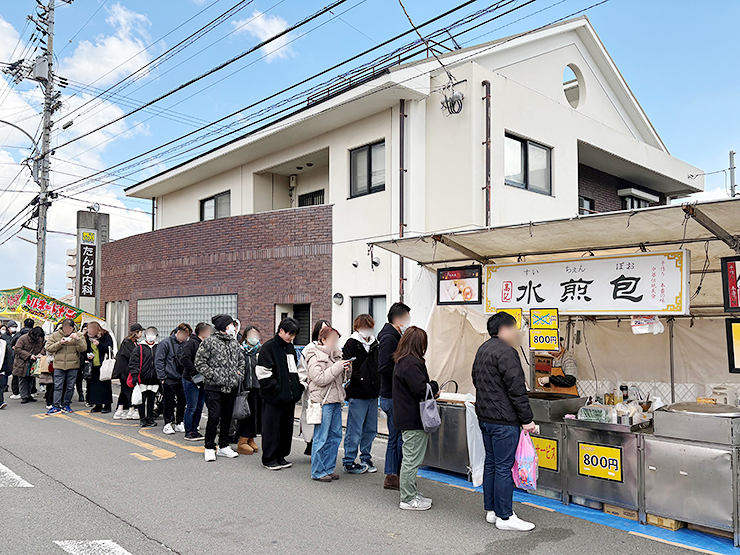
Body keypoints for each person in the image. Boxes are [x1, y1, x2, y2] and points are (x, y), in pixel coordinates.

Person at [473, 312, 536, 532]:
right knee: (503, 468)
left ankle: (492, 510)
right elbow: (517, 390)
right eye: (514, 328)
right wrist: (527, 420)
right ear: (505, 329)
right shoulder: (507, 352)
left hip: (486, 418)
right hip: (504, 421)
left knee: (492, 463)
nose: (516, 333)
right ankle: (505, 516)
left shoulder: (483, 349)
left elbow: (476, 380)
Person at [393, 326, 438, 511]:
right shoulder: (411, 363)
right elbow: (420, 389)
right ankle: (408, 498)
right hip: (413, 418)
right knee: (412, 459)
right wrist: (434, 386)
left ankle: (410, 492)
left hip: (406, 416)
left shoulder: (402, 361)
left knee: (411, 457)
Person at [194, 314, 244, 462]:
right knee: (214, 417)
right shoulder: (209, 342)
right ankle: (209, 447)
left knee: (227, 417)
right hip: (213, 386)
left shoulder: (235, 343)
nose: (233, 328)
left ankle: (224, 445)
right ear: (224, 326)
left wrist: (238, 376)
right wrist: (213, 375)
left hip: (231, 386)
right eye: (231, 325)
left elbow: (241, 362)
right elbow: (199, 362)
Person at [257, 317, 303, 471]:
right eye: (290, 334)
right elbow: (262, 373)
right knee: (272, 428)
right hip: (273, 398)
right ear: (281, 330)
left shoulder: (290, 348)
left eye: (294, 335)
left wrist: (297, 388)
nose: (292, 338)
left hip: (288, 398)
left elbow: (293, 371)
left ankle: (281, 456)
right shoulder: (268, 347)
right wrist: (275, 389)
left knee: (285, 429)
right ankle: (269, 458)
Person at [306, 326, 351, 482]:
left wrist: (346, 369)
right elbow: (319, 379)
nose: (335, 342)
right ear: (322, 340)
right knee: (321, 436)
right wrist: (338, 367)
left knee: (335, 436)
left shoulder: (337, 355)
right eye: (332, 339)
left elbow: (342, 379)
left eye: (336, 339)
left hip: (336, 400)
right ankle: (318, 471)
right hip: (323, 401)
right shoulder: (314, 355)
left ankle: (328, 468)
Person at [378, 302, 411, 490]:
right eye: (406, 317)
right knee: (395, 437)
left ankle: (395, 474)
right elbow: (383, 367)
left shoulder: (394, 335)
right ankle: (392, 475)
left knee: (397, 436)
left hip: (393, 394)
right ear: (398, 318)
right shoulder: (389, 338)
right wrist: (401, 376)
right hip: (392, 395)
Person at [342, 314, 380, 475]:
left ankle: (366, 457)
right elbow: (348, 365)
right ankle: (349, 460)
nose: (368, 330)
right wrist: (358, 378)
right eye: (365, 326)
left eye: (370, 326)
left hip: (373, 391)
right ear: (357, 327)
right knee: (354, 428)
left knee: (371, 428)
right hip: (358, 391)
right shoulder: (351, 343)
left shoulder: (375, 343)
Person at [296, 319, 330, 456]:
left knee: (326, 423)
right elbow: (302, 370)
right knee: (313, 420)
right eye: (322, 329)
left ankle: (320, 450)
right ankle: (312, 446)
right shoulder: (309, 348)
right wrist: (305, 384)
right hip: (313, 392)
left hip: (328, 392)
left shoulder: (332, 347)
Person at [44, 319, 87, 414]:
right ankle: (56, 406)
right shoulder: (55, 335)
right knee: (58, 386)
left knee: (70, 387)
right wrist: (60, 343)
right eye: (65, 327)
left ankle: (66, 404)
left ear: (73, 328)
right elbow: (48, 348)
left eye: (69, 328)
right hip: (58, 365)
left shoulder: (79, 335)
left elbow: (83, 349)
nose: (67, 329)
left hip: (73, 365)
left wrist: (77, 339)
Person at [155, 323, 191, 435]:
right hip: (169, 377)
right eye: (184, 335)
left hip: (182, 377)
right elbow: (159, 360)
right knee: (168, 402)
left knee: (182, 400)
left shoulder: (185, 344)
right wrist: (162, 377)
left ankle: (179, 422)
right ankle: (168, 423)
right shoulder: (165, 343)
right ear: (178, 332)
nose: (185, 338)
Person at [179, 322, 212, 441]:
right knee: (191, 406)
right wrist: (194, 373)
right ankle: (189, 431)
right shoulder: (192, 343)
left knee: (199, 406)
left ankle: (195, 429)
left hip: (203, 380)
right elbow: (184, 358)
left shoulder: (206, 344)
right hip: (190, 379)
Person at [235, 326, 263, 455]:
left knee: (256, 414)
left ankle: (251, 438)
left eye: (256, 334)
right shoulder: (240, 350)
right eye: (251, 334)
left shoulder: (261, 350)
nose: (254, 337)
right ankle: (242, 440)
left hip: (258, 386)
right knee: (245, 414)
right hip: (244, 387)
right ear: (245, 336)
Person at [129, 327, 160, 427]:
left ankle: (150, 418)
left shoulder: (159, 347)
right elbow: (134, 363)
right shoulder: (139, 348)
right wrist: (135, 375)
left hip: (154, 379)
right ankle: (142, 418)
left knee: (151, 400)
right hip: (142, 379)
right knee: (141, 400)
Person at [112, 324, 143, 420]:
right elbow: (132, 357)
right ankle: (131, 409)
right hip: (126, 371)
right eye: (141, 332)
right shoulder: (128, 343)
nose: (142, 334)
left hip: (125, 371)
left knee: (124, 391)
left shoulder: (131, 343)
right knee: (129, 391)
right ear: (137, 332)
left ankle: (120, 410)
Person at [83, 322, 114, 413]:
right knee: (94, 386)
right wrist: (87, 355)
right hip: (92, 365)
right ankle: (97, 405)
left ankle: (107, 405)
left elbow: (109, 348)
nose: (89, 331)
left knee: (105, 386)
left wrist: (99, 344)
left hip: (103, 364)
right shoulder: (87, 338)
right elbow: (84, 350)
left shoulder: (105, 336)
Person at [13, 326, 46, 404]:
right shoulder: (23, 338)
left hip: (34, 362)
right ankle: (24, 396)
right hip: (22, 362)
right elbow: (18, 349)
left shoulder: (40, 339)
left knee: (31, 379)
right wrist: (29, 355)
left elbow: (44, 347)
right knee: (23, 380)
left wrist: (41, 354)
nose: (38, 338)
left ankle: (29, 394)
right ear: (32, 333)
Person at [9, 319, 34, 400]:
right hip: (31, 358)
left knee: (18, 377)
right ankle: (29, 393)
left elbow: (12, 345)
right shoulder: (35, 334)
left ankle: (18, 393)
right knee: (30, 377)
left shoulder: (19, 335)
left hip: (19, 358)